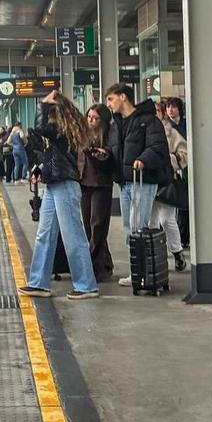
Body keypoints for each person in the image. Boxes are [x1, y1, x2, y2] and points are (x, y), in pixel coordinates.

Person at [17, 89, 100, 300]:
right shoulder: (61, 133)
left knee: (73, 236)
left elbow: (40, 127)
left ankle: (87, 285)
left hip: (65, 185)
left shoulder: (62, 131)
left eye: (49, 111)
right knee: (44, 234)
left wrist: (43, 103)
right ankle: (38, 283)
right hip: (54, 185)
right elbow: (44, 146)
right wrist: (40, 170)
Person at [104, 84, 170, 287]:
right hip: (125, 182)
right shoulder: (116, 124)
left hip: (143, 181)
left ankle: (141, 273)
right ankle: (138, 271)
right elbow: (114, 149)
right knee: (128, 228)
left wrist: (143, 159)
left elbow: (158, 147)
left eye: (111, 99)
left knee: (137, 226)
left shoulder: (148, 121)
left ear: (123, 97)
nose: (108, 104)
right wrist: (105, 155)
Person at [79, 104, 116, 282]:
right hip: (84, 182)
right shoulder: (82, 135)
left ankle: (92, 264)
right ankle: (104, 264)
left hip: (101, 184)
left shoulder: (109, 135)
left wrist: (103, 155)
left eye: (95, 118)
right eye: (89, 117)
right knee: (88, 225)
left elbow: (112, 157)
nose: (91, 121)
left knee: (98, 225)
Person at [151, 101, 188, 272]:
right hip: (148, 182)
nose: (155, 114)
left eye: (158, 111)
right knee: (150, 222)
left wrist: (168, 160)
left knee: (167, 219)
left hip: (167, 180)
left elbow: (184, 155)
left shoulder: (170, 132)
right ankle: (154, 257)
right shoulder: (143, 132)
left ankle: (177, 253)